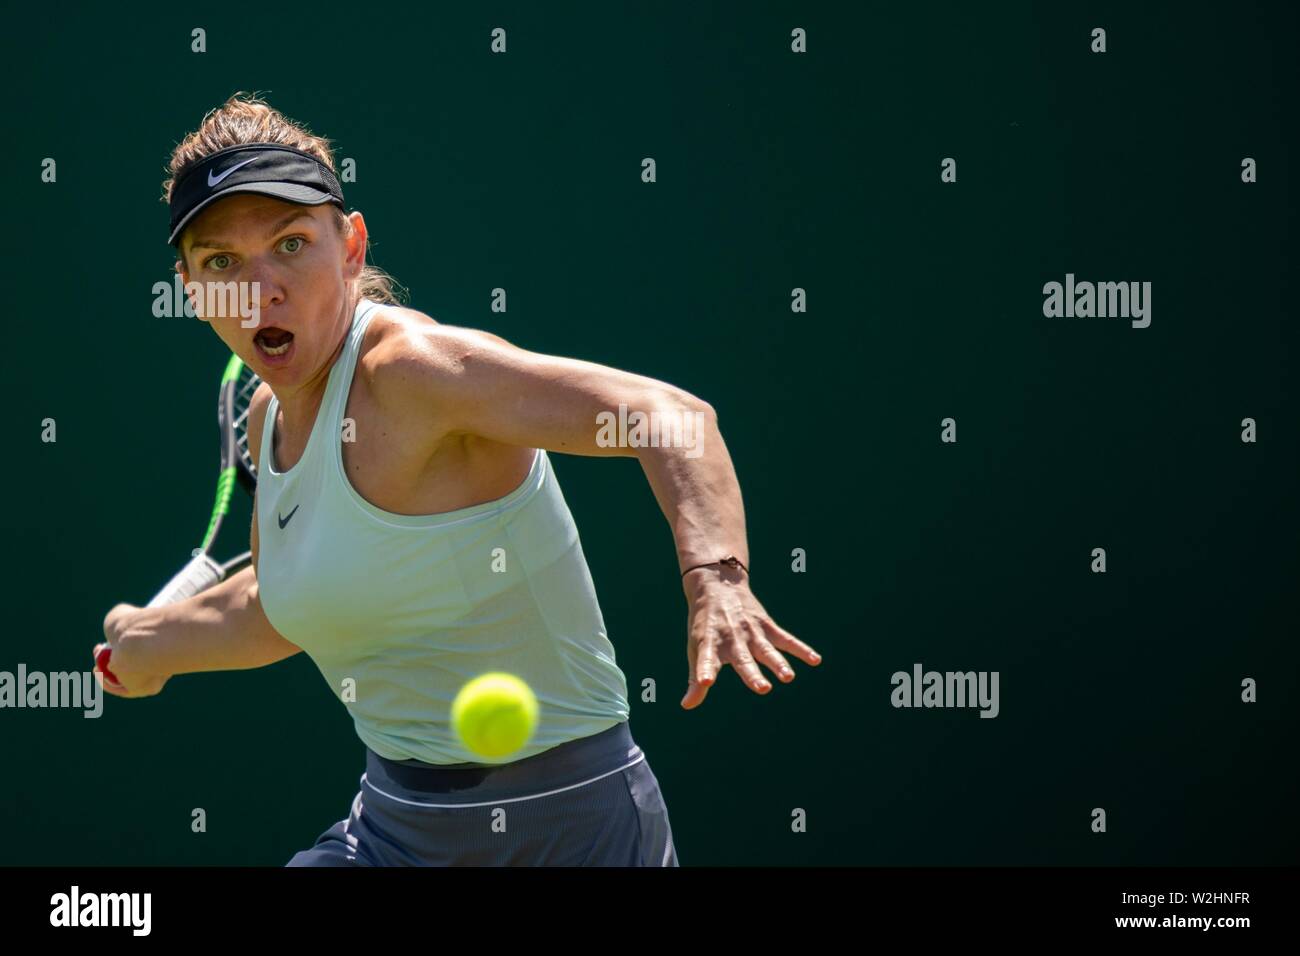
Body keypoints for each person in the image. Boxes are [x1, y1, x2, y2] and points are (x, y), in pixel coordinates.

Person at [97, 93, 821, 866]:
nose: (261, 289)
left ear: (350, 246)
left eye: (291, 244)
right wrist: (151, 644)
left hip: (572, 831)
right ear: (189, 288)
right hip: (391, 831)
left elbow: (668, 417)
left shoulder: (415, 374)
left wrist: (718, 577)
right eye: (221, 263)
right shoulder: (266, 420)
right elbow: (280, 604)